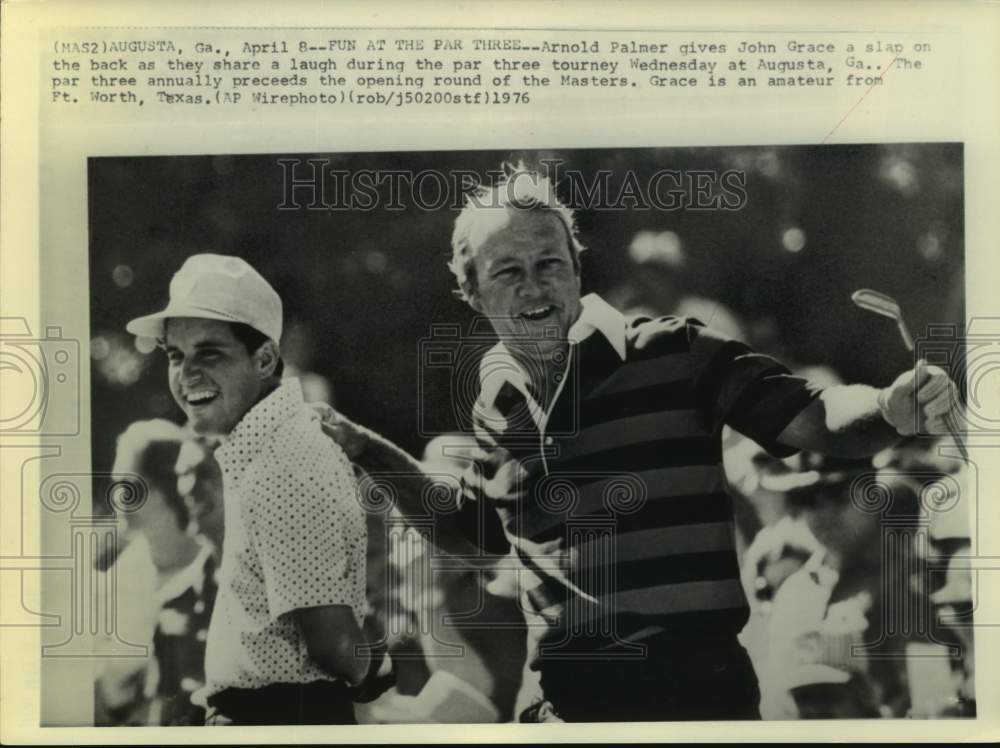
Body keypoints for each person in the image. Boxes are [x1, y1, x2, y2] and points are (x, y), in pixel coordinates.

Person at [321, 166, 963, 722]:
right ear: (473, 293)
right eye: (507, 272)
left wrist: (886, 405)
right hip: (568, 708)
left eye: (550, 263)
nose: (534, 285)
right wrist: (366, 450)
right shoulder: (497, 407)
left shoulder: (676, 351)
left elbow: (815, 417)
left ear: (576, 268)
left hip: (694, 701)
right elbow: (474, 533)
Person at [125, 253, 391, 725]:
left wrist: (374, 668)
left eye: (209, 352)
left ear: (265, 358)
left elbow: (332, 641)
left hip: (279, 719)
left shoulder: (284, 460)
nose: (187, 375)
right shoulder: (261, 447)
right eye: (175, 355)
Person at [95, 419, 217, 726]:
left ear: (169, 486)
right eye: (117, 483)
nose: (120, 498)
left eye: (134, 485)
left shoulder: (211, 564)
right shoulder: (119, 573)